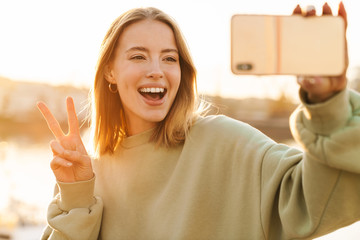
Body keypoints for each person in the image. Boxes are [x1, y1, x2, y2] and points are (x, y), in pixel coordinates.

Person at [38, 2, 360, 240]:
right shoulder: (89, 172)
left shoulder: (224, 141)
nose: (157, 70)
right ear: (109, 71)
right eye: (138, 56)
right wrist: (77, 196)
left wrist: (328, 104)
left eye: (169, 58)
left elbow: (320, 199)